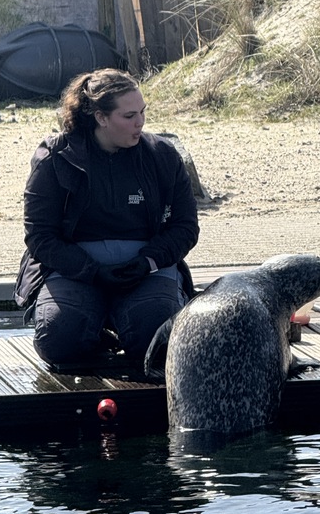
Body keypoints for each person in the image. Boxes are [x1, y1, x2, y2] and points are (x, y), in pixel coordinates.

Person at [15, 68, 199, 367]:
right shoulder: (54, 157)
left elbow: (185, 227)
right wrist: (91, 270)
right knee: (58, 341)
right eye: (129, 116)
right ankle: (96, 329)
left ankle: (126, 321)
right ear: (100, 117)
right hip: (73, 270)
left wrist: (148, 261)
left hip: (147, 270)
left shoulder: (163, 155)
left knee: (158, 344)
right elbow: (40, 237)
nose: (140, 122)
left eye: (142, 112)